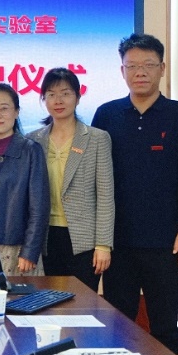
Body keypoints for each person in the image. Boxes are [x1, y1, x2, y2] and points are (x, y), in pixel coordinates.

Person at [92, 33, 178, 355]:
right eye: (132, 66)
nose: (140, 72)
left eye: (148, 65)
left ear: (162, 68)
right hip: (118, 242)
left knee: (165, 325)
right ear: (122, 71)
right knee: (118, 324)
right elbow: (95, 179)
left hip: (166, 244)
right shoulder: (107, 115)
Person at [26, 67, 114, 291]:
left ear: (78, 96)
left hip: (83, 241)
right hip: (45, 238)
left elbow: (105, 195)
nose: (58, 100)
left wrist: (103, 245)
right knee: (48, 303)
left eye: (65, 93)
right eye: (51, 94)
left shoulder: (97, 138)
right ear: (43, 99)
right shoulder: (33, 141)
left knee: (82, 304)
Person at [0, 83, 49, 275]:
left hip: (17, 249)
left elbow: (39, 207)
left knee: (15, 295)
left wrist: (30, 250)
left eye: (4, 108)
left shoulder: (31, 151)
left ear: (16, 112)